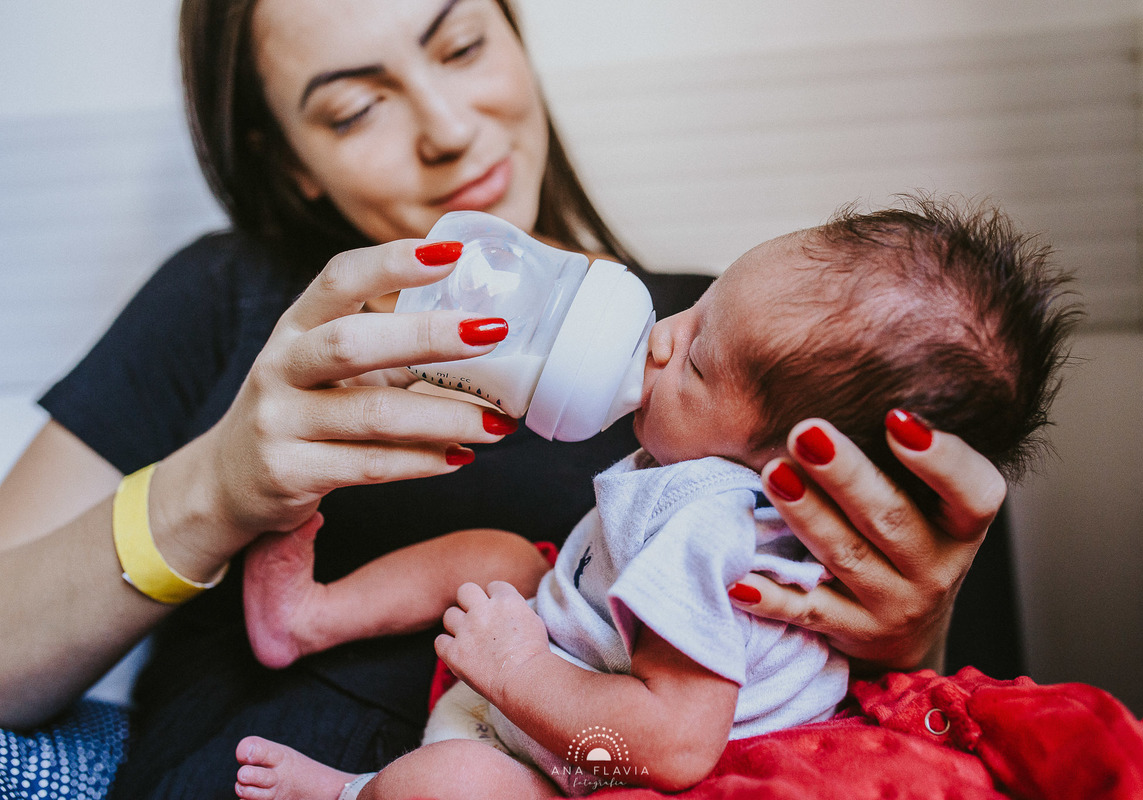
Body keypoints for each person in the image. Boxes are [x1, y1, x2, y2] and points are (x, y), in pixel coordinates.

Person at [0, 1, 1013, 798]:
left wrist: (903, 634)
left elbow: (886, 749)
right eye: (353, 109)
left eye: (462, 45)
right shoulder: (229, 302)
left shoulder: (789, 366)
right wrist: (213, 489)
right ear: (289, 161)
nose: (448, 129)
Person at [230, 197, 1075, 799]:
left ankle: (353, 790)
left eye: (698, 360)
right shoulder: (715, 474)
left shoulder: (712, 531)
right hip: (577, 656)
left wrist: (516, 671)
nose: (666, 336)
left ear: (803, 467)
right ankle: (308, 617)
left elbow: (670, 746)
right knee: (499, 557)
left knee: (454, 785)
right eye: (698, 310)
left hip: (599, 758)